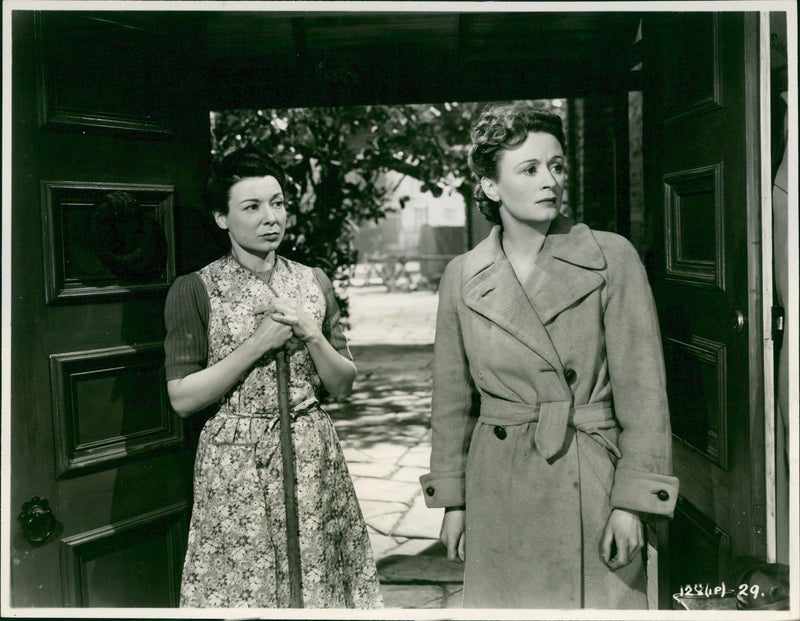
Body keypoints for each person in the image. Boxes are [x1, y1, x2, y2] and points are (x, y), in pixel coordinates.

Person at [419, 102, 679, 609]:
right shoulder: (462, 275)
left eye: (557, 166)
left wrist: (632, 504)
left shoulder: (611, 257)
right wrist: (454, 502)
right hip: (499, 481)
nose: (550, 181)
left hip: (593, 480)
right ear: (491, 186)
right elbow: (450, 401)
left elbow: (644, 393)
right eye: (530, 168)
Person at [164, 146, 382, 608]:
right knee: (246, 587)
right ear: (222, 218)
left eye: (278, 203)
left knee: (320, 579)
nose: (271, 218)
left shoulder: (314, 282)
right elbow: (182, 399)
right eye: (252, 206)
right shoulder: (195, 289)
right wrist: (257, 345)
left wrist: (313, 336)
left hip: (311, 452)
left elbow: (342, 385)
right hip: (234, 460)